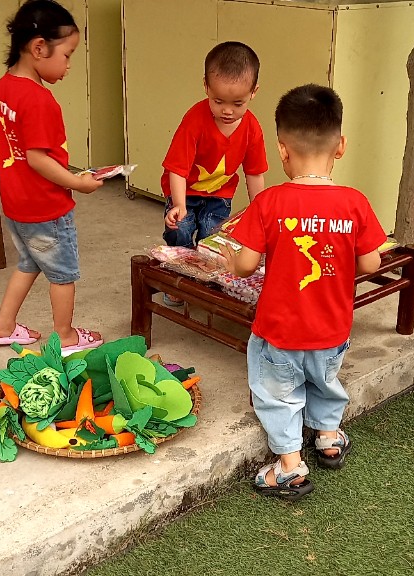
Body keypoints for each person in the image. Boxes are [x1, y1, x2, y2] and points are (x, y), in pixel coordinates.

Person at [222, 84, 386, 501]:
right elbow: (371, 264)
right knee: (325, 380)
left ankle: (290, 467)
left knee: (278, 394)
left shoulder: (269, 202)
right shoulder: (355, 203)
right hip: (332, 327)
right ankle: (328, 437)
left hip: (280, 330)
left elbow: (246, 265)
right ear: (341, 146)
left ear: (282, 149)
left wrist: (229, 259)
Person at [0, 0, 104, 355]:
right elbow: (36, 158)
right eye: (67, 55)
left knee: (29, 262)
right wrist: (77, 182)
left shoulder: (0, 90)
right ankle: (65, 336)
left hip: (16, 202)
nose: (68, 65)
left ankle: (3, 326)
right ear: (39, 48)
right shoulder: (38, 100)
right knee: (62, 274)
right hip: (45, 207)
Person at [160, 41, 267, 307]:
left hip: (219, 195)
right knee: (181, 232)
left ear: (254, 92)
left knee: (213, 236)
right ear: (206, 87)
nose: (227, 111)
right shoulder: (195, 120)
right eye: (218, 101)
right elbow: (177, 169)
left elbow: (254, 173)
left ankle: (207, 281)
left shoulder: (252, 128)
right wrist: (179, 204)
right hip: (184, 191)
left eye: (237, 103)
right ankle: (178, 279)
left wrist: (260, 210)